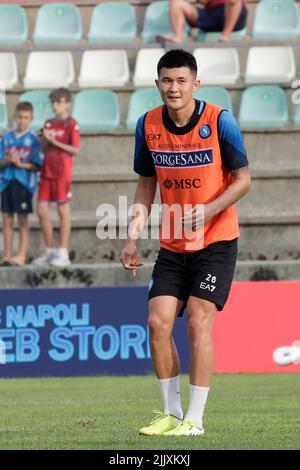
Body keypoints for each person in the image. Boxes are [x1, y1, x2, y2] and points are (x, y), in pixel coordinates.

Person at [120, 49, 251, 436]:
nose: (173, 88)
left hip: (217, 242)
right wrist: (131, 238)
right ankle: (172, 413)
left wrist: (208, 211)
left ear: (196, 83)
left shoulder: (220, 122)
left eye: (181, 81)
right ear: (157, 83)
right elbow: (146, 185)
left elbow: (243, 179)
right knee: (157, 323)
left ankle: (195, 420)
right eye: (166, 80)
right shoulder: (147, 125)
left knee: (197, 321)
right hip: (173, 245)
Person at [32, 88, 80, 268]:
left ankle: (63, 251)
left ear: (67, 103)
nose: (55, 106)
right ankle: (50, 251)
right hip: (46, 171)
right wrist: (44, 138)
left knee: (62, 210)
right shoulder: (49, 123)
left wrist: (55, 141)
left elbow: (75, 149)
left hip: (62, 173)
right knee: (42, 211)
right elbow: (43, 149)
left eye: (59, 102)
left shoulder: (71, 124)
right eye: (53, 102)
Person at [0, 102, 42, 267]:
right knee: (7, 218)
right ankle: (8, 254)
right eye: (20, 117)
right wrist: (7, 160)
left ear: (31, 119)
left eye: (26, 118)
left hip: (23, 183)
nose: (22, 120)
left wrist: (20, 165)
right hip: (6, 182)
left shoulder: (33, 140)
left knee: (23, 219)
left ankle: (22, 254)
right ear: (14, 117)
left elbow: (37, 165)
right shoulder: (7, 138)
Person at [157, 0, 248, 43]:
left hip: (236, 15)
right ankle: (178, 37)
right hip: (211, 14)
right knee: (175, 3)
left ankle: (225, 36)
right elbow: (203, 1)